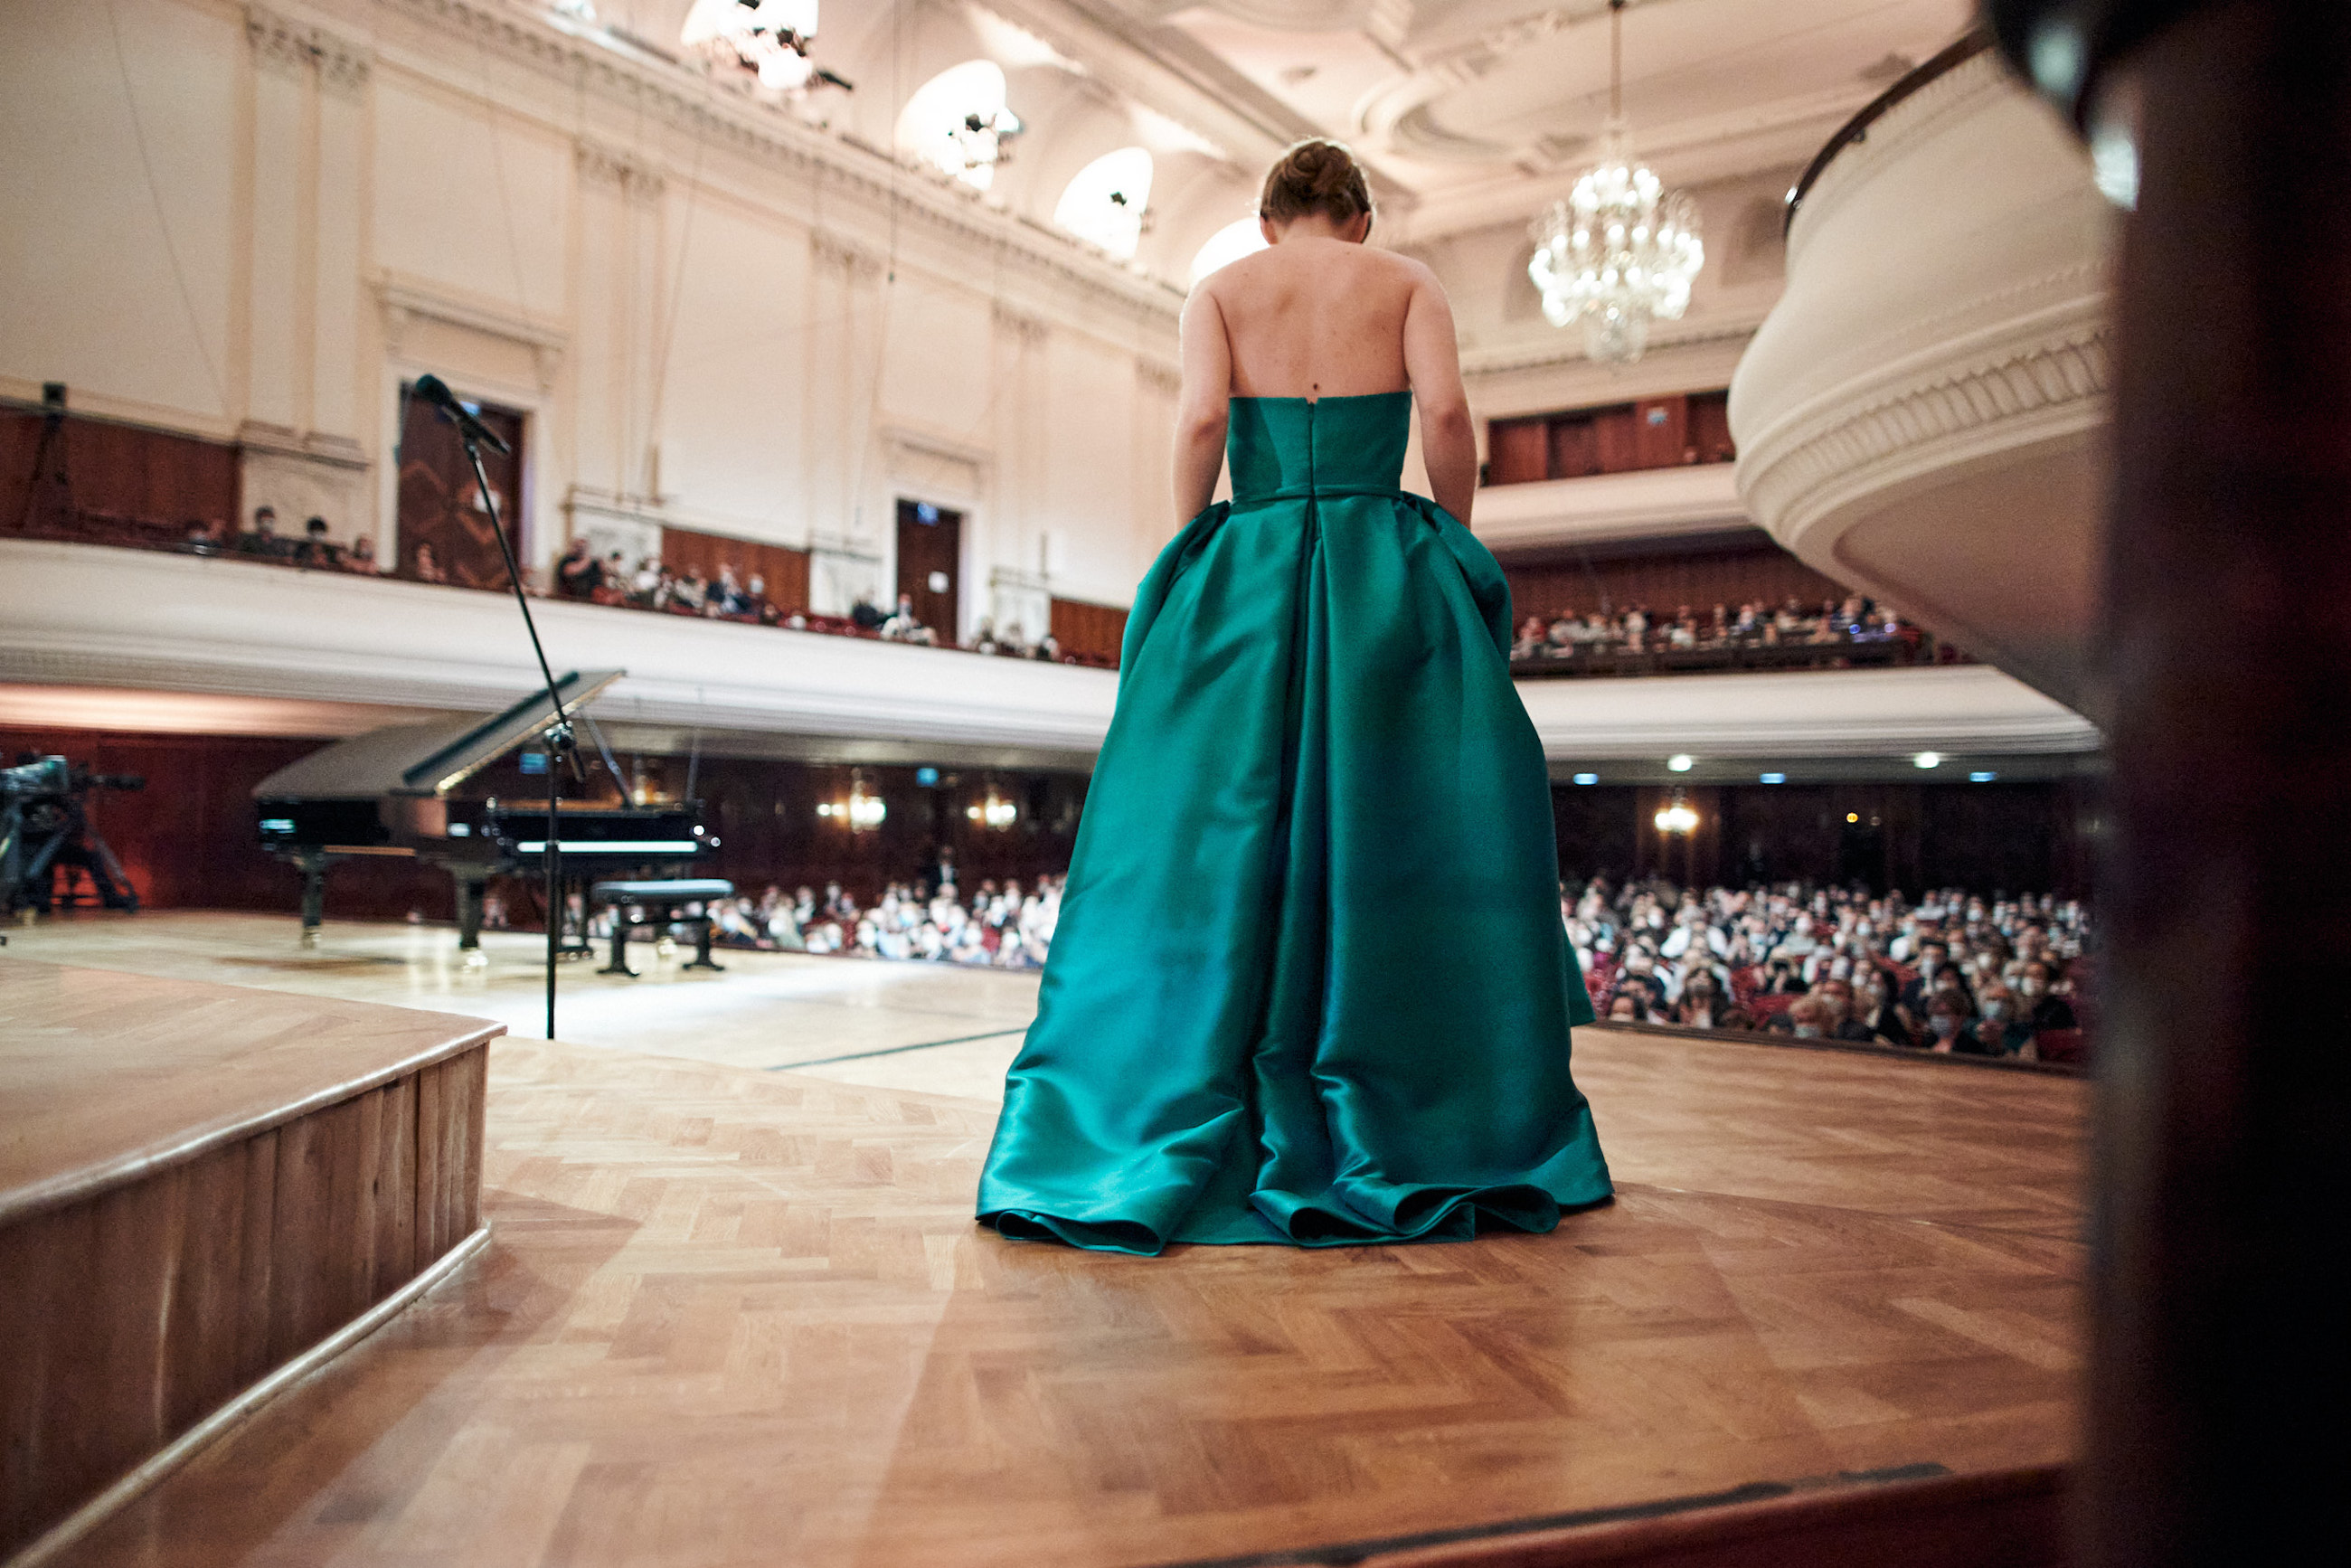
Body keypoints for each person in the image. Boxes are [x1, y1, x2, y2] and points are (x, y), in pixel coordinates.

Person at [977, 138, 1610, 1255]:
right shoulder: (1406, 281)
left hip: (1253, 572)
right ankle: (1407, 1100)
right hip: (1381, 573)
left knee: (1208, 826)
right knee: (1407, 816)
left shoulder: (1221, 288)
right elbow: (1447, 417)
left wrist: (1192, 547)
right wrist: (1451, 539)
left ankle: (1179, 1092)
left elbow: (1200, 423)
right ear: (1360, 218)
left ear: (1267, 219)